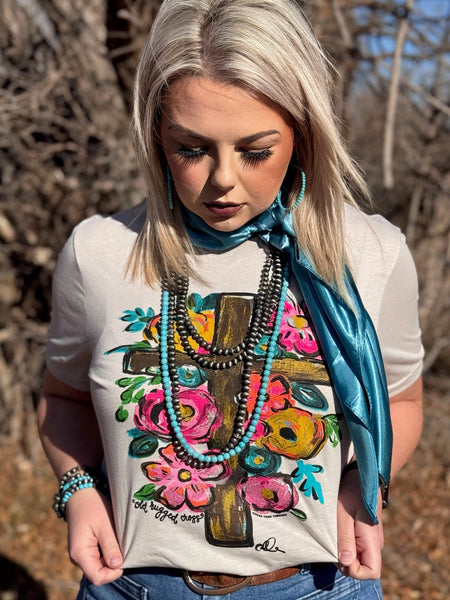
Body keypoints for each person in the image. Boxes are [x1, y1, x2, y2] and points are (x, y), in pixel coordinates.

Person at [37, 0, 424, 598]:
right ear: (156, 135)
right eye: (191, 149)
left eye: (255, 150)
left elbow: (401, 400)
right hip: (132, 587)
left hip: (318, 585)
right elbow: (62, 397)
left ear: (303, 132)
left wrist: (364, 483)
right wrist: (78, 488)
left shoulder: (371, 254)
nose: (223, 179)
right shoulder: (100, 253)